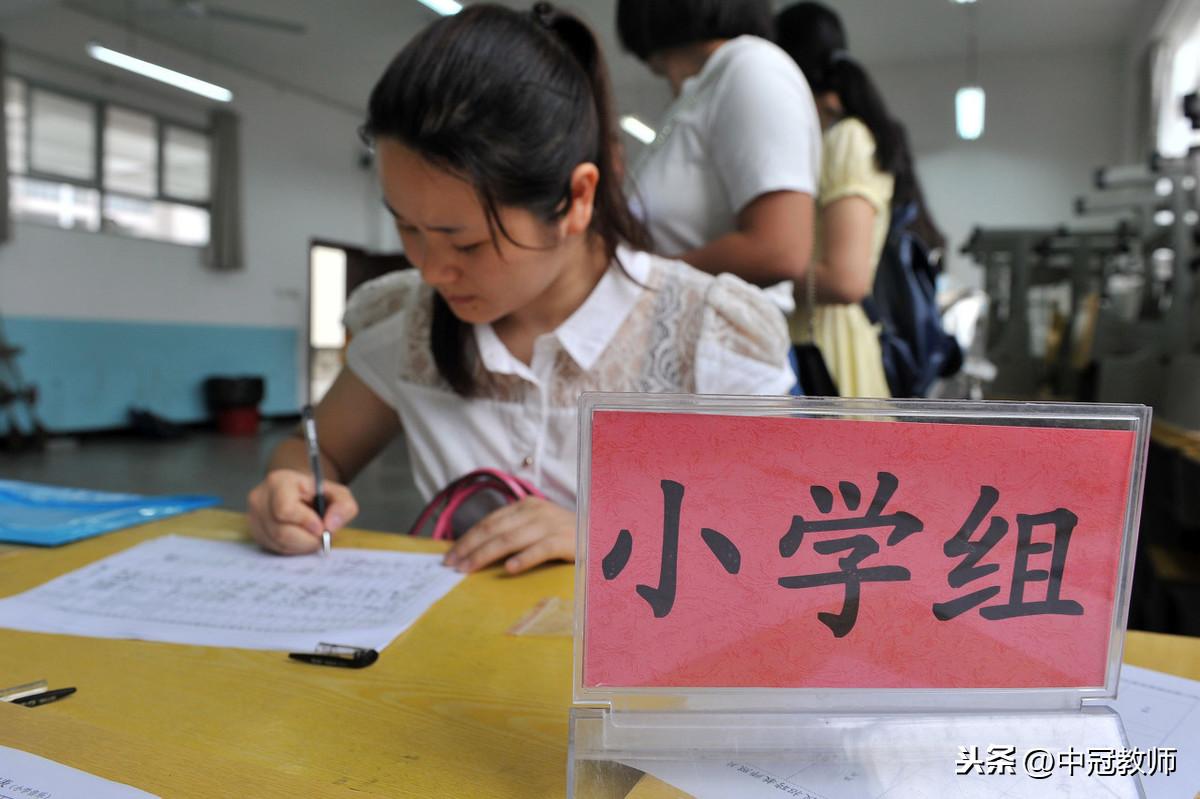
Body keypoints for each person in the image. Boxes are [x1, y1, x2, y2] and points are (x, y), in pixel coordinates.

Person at [246, 3, 795, 575]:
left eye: (467, 245)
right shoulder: (409, 323)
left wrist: (612, 537)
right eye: (408, 228)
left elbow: (787, 527)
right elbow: (316, 450)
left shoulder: (700, 333)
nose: (432, 271)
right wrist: (290, 489)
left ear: (577, 199)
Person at [616, 0, 820, 320]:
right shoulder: (699, 91)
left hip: (726, 350)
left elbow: (780, 250)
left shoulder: (751, 67)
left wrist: (633, 279)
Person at [775, 1, 901, 398]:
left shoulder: (846, 138)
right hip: (819, 344)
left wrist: (753, 270)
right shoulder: (837, 138)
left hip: (827, 353)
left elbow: (847, 280)